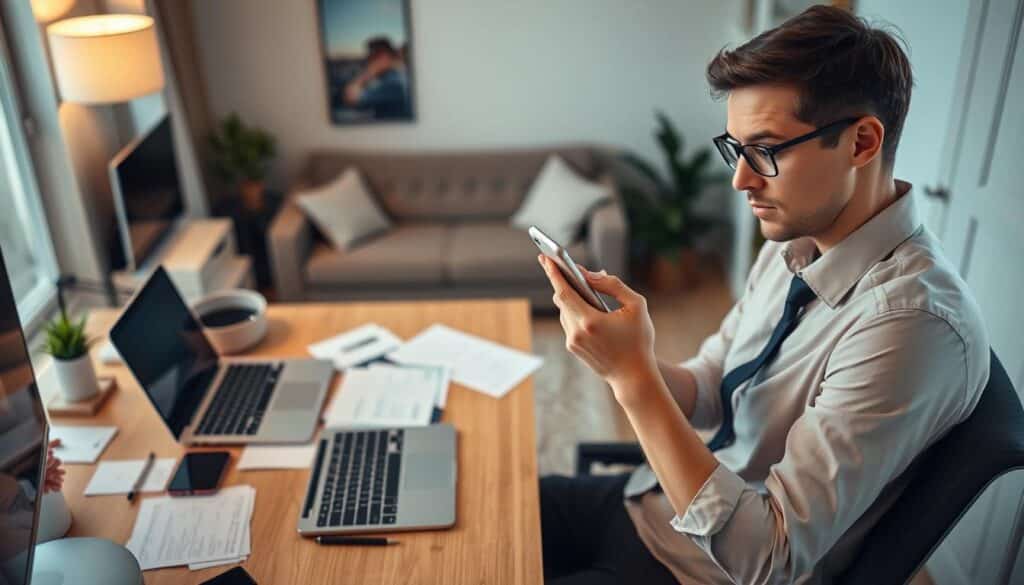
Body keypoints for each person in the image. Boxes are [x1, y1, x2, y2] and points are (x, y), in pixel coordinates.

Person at [537, 6, 989, 585]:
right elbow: (711, 387)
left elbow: (766, 559)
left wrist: (633, 379)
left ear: (862, 142)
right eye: (736, 149)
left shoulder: (911, 326)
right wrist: (633, 351)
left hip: (702, 571)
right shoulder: (792, 245)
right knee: (490, 515)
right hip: (654, 505)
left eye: (767, 150)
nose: (741, 180)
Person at [343, 36, 411, 120]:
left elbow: (351, 99)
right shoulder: (397, 74)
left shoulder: (393, 82)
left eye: (371, 55)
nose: (368, 60)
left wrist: (367, 74)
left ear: (383, 56)